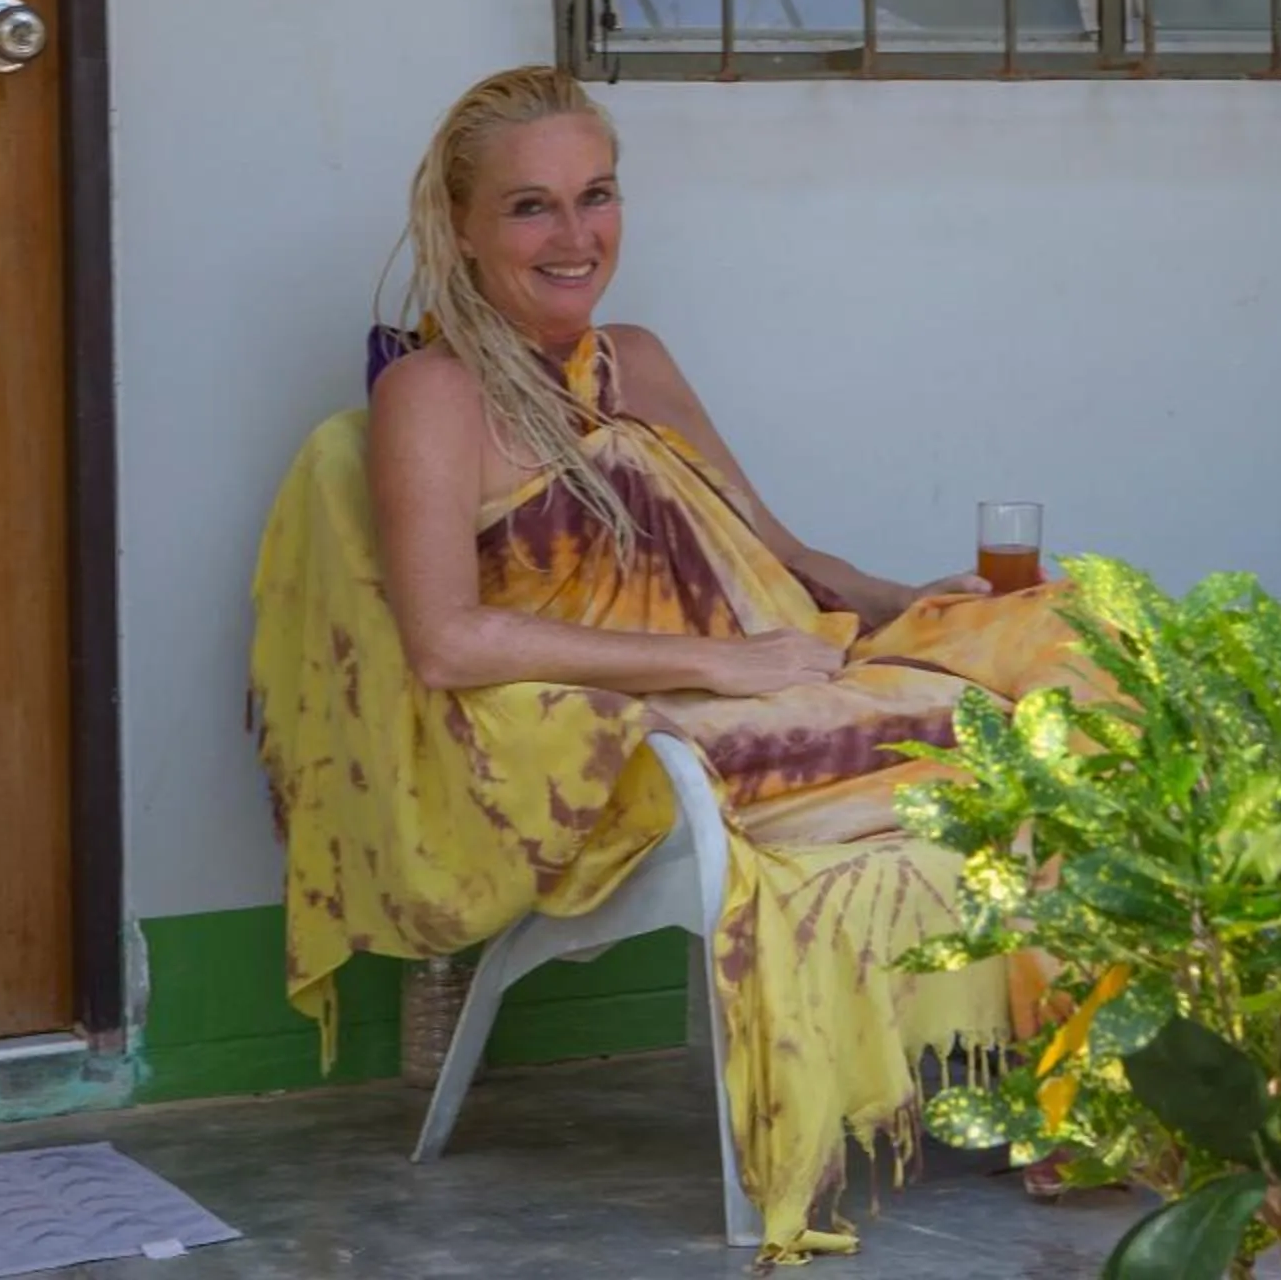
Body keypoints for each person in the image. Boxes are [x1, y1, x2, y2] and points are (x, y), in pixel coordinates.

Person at [250, 65, 1088, 1259]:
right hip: (614, 745)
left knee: (1068, 658)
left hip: (761, 681)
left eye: (597, 195)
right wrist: (709, 666)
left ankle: (1093, 1083)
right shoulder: (433, 395)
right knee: (961, 746)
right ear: (461, 227)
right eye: (532, 205)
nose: (576, 234)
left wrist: (915, 602)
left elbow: (774, 551)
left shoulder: (634, 360)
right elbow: (446, 640)